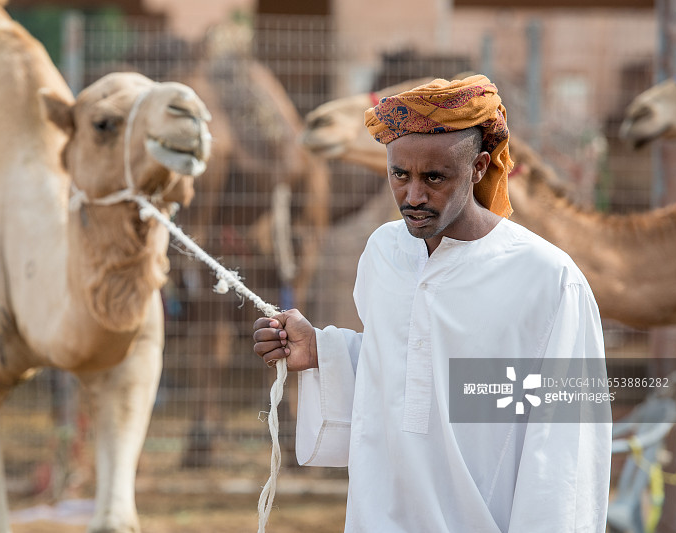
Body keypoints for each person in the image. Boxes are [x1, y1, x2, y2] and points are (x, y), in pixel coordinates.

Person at [253, 75, 611, 532]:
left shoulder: (549, 280)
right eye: (399, 175)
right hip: (379, 515)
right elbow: (409, 374)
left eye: (434, 178)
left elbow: (567, 445)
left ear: (480, 167)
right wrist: (322, 351)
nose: (413, 196)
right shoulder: (384, 253)